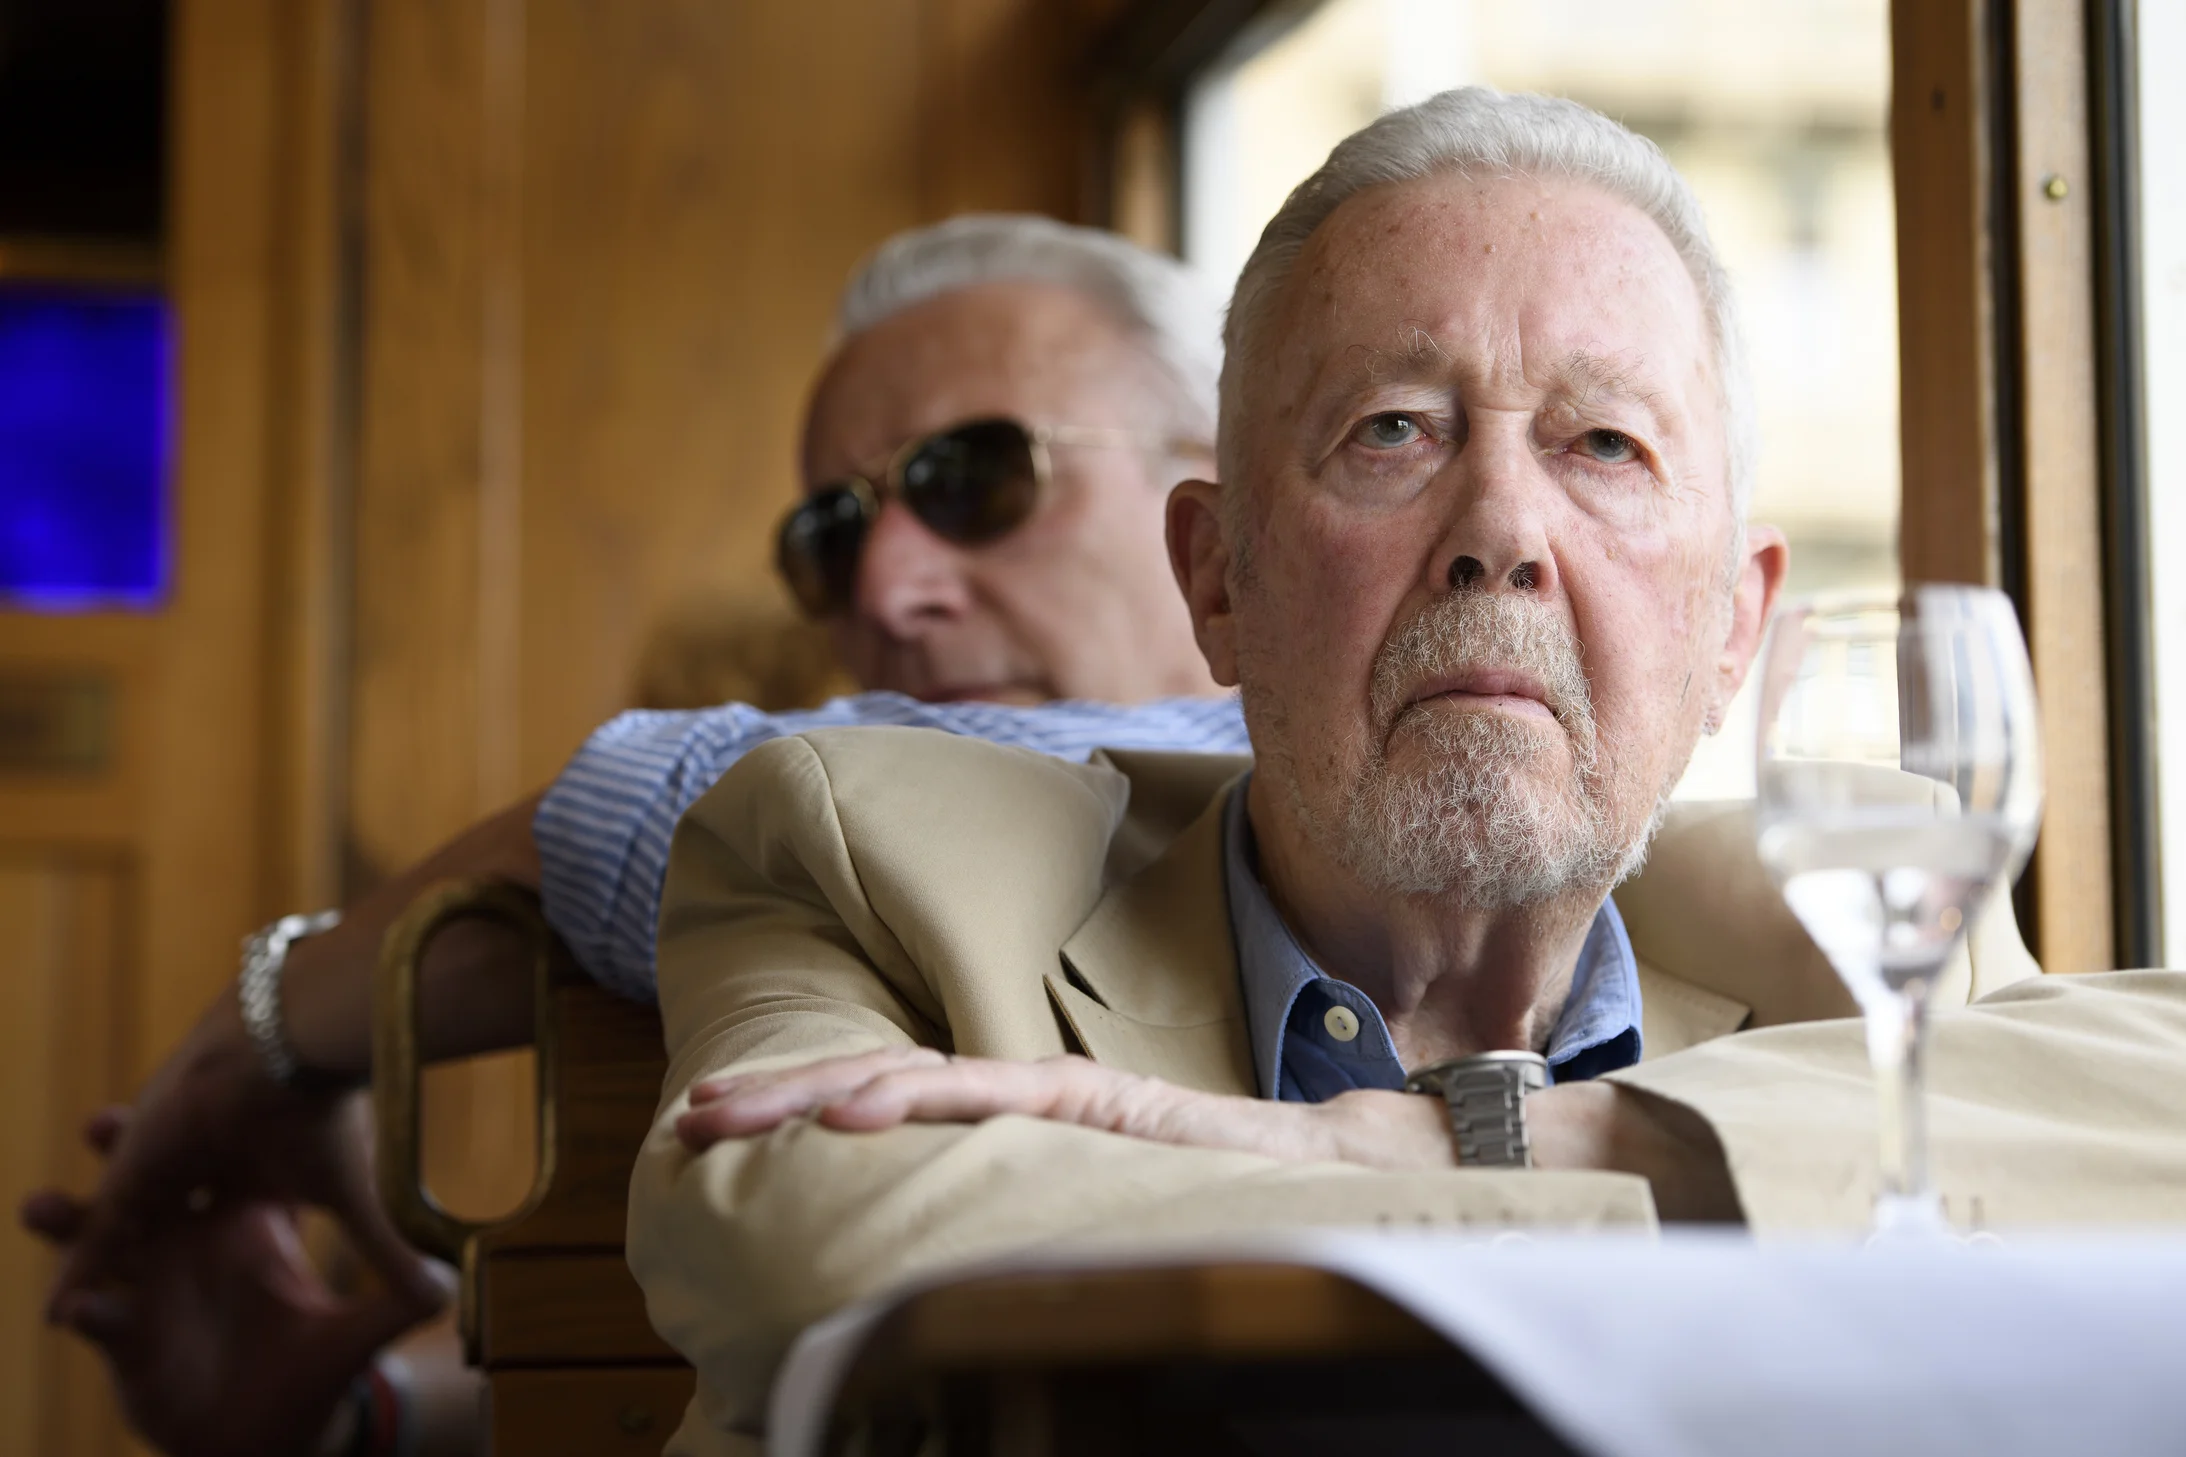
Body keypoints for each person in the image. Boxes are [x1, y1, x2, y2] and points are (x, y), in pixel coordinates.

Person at [628, 89, 2186, 1456]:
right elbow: (789, 1241)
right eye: (1390, 429)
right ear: (1216, 579)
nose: (1499, 529)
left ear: (1733, 629)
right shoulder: (861, 852)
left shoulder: (1858, 914)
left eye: (1603, 447)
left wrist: (1453, 1138)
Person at [21, 214, 1263, 1457]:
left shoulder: (1328, 807)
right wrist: (362, 1419)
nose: (885, 589)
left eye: (974, 480)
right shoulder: (783, 909)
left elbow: (686, 784)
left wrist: (265, 1025)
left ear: (1220, 515)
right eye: (828, 535)